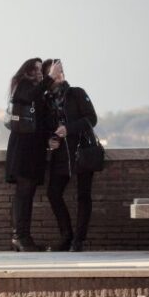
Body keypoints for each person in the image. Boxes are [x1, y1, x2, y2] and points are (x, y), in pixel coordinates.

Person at [42, 59, 98, 252]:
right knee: (53, 193)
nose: (60, 74)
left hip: (82, 151)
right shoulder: (45, 101)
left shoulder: (77, 93)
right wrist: (49, 140)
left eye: (61, 70)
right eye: (55, 71)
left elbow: (92, 119)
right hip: (60, 155)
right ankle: (67, 236)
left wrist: (69, 128)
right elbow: (44, 127)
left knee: (84, 196)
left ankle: (78, 241)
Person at [5, 58, 60, 252]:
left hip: (33, 151)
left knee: (27, 196)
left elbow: (41, 121)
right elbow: (30, 96)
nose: (39, 72)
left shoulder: (38, 91)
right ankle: (20, 238)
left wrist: (49, 139)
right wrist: (50, 77)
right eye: (35, 69)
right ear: (26, 71)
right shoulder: (23, 87)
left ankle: (23, 238)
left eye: (40, 69)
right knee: (23, 196)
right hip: (23, 152)